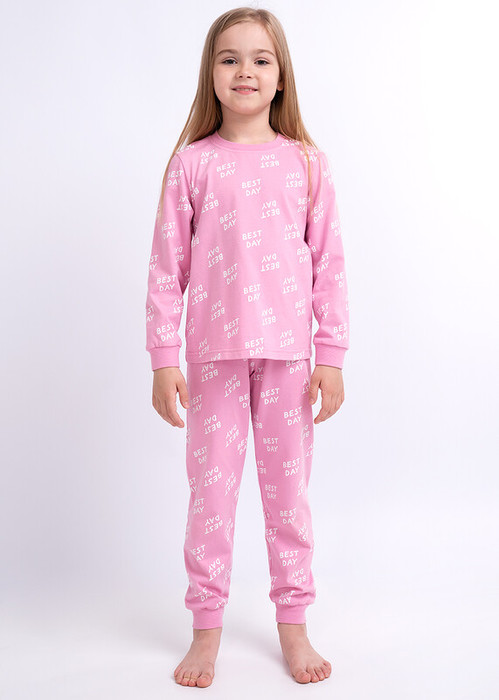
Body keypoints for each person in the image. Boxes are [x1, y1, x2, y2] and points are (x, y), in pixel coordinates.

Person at [145, 6, 349, 688]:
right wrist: (163, 360)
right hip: (213, 360)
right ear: (210, 73)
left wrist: (331, 356)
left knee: (288, 498)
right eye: (229, 58)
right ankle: (205, 630)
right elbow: (165, 270)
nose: (245, 71)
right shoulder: (191, 165)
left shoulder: (307, 164)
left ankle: (293, 624)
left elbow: (329, 267)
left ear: (281, 76)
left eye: (261, 59)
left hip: (290, 360)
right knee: (210, 499)